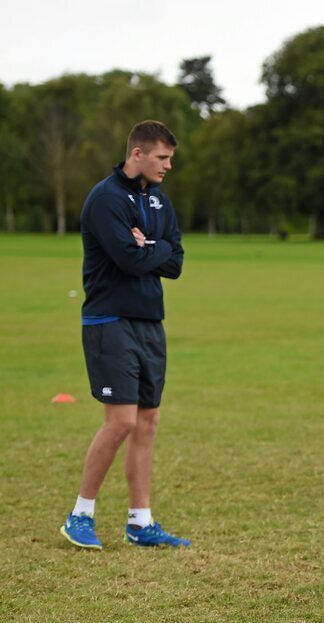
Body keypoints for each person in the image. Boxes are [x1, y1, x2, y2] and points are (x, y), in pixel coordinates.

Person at [60, 120, 189, 550]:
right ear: (138, 154)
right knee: (121, 421)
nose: (168, 165)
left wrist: (148, 245)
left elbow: (175, 262)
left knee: (148, 421)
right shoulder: (105, 200)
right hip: (109, 322)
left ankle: (140, 522)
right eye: (163, 157)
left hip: (150, 322)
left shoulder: (160, 201)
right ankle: (80, 514)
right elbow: (129, 261)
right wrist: (153, 249)